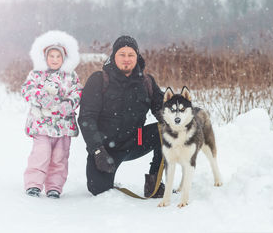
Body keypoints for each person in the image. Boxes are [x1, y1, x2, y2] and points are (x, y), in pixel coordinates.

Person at [78, 35, 165, 197]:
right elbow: (86, 118)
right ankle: (102, 169)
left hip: (135, 142)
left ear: (137, 56)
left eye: (131, 55)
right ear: (114, 56)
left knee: (166, 131)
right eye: (122, 54)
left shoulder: (146, 82)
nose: (127, 59)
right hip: (105, 149)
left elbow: (163, 109)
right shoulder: (99, 80)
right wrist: (97, 150)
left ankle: (154, 183)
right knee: (98, 189)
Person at [21, 30, 82, 198]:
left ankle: (54, 186)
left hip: (63, 125)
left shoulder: (70, 76)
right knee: (41, 153)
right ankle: (33, 183)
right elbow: (27, 89)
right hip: (41, 123)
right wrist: (40, 97)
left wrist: (69, 102)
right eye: (51, 56)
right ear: (45, 57)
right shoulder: (37, 74)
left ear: (64, 59)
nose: (54, 60)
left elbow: (78, 92)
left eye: (58, 57)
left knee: (59, 157)